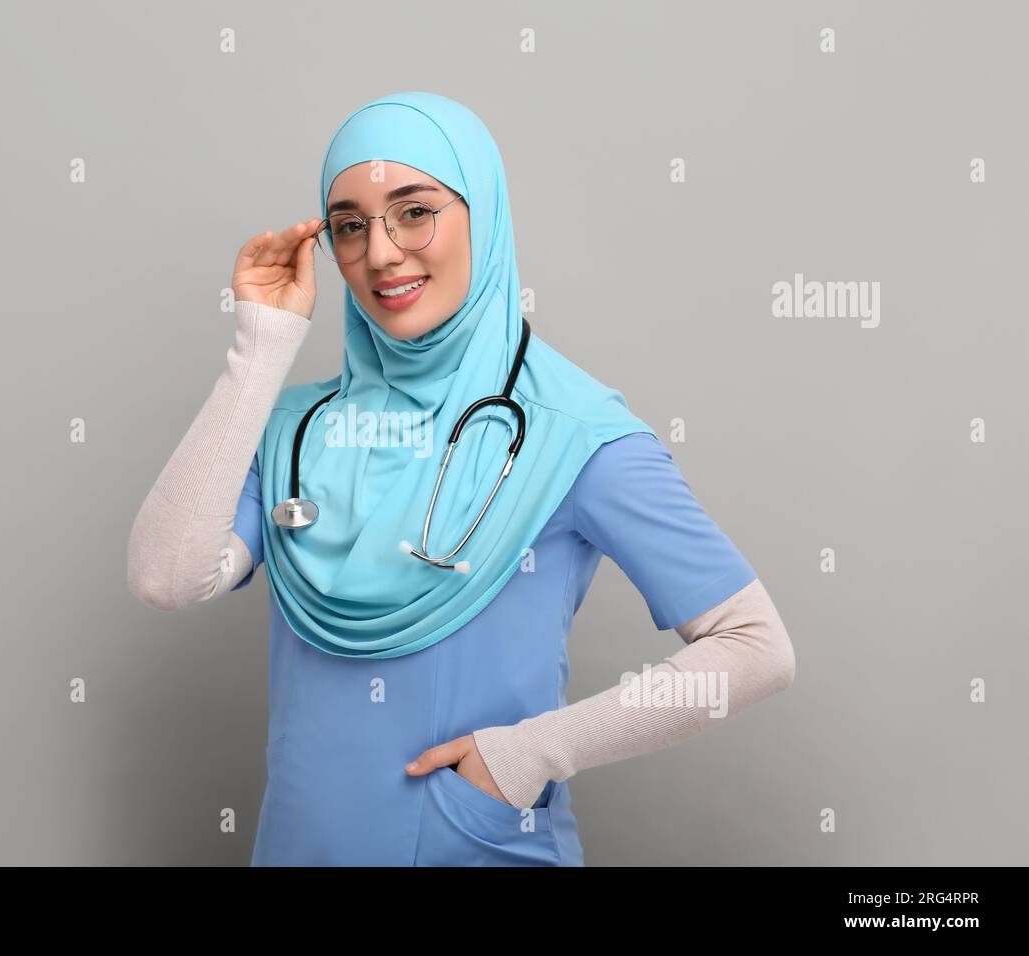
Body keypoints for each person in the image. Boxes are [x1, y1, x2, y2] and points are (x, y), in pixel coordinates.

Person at [127, 91, 795, 866]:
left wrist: (533, 754)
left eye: (415, 212)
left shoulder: (571, 432)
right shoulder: (295, 430)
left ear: (482, 212)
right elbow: (165, 578)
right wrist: (261, 345)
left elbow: (755, 647)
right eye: (350, 225)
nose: (380, 253)